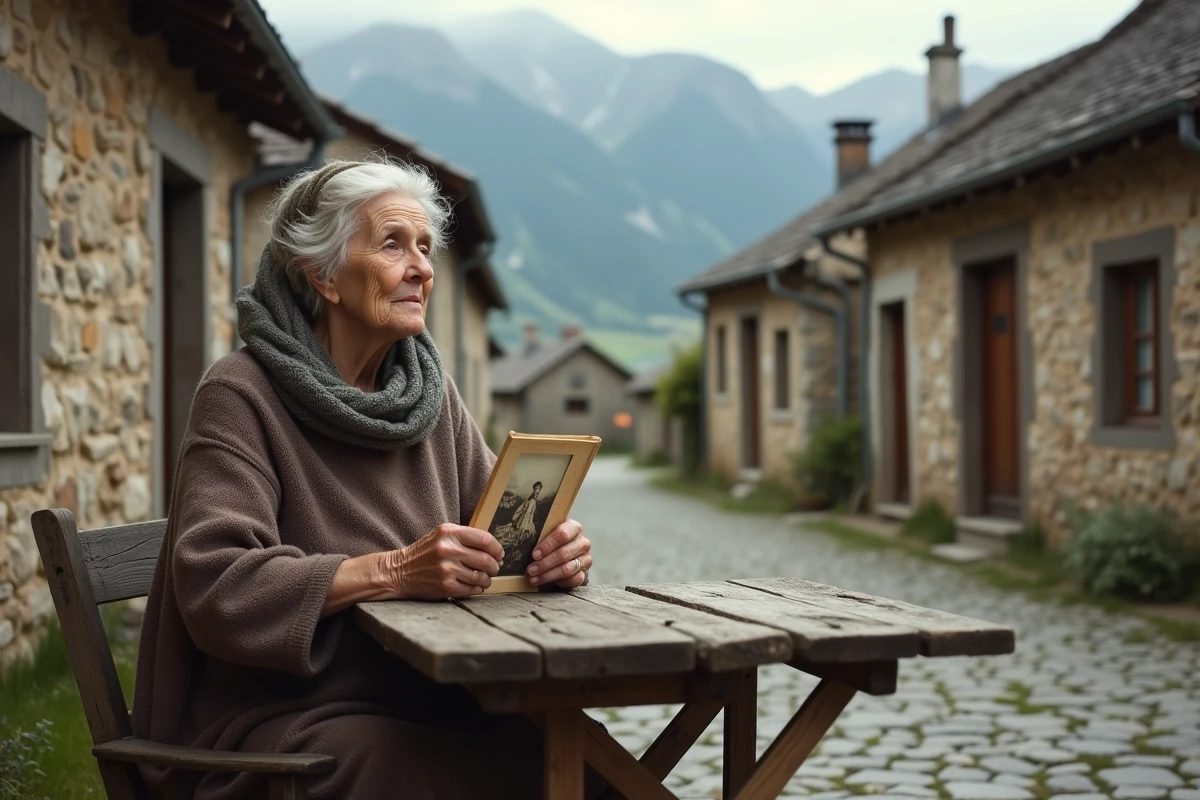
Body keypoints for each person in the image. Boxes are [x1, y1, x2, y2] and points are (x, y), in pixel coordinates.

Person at [131, 158, 596, 799]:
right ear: (322, 275)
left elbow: (499, 536)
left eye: (426, 249)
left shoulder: (430, 397)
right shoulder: (241, 393)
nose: (423, 269)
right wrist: (396, 571)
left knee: (583, 759)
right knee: (399, 767)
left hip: (433, 695)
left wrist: (552, 553)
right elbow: (217, 583)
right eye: (392, 245)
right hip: (282, 718)